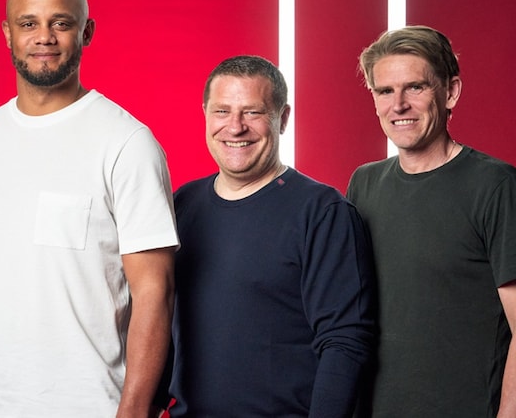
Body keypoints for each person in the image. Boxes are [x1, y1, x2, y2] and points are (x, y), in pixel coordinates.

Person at [0, 0, 178, 418]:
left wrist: (133, 413)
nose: (43, 37)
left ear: (87, 32)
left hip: (90, 408)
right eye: (28, 24)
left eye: (60, 23)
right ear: (7, 34)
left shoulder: (126, 143)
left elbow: (153, 291)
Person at [164, 55, 376, 417]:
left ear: (283, 119)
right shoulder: (183, 204)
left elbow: (345, 341)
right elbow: (160, 319)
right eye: (222, 111)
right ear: (205, 114)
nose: (235, 127)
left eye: (253, 112)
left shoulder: (322, 212)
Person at [347, 25, 516, 417]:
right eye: (385, 91)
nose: (398, 105)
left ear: (450, 91)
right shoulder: (364, 184)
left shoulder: (496, 186)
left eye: (415, 88)